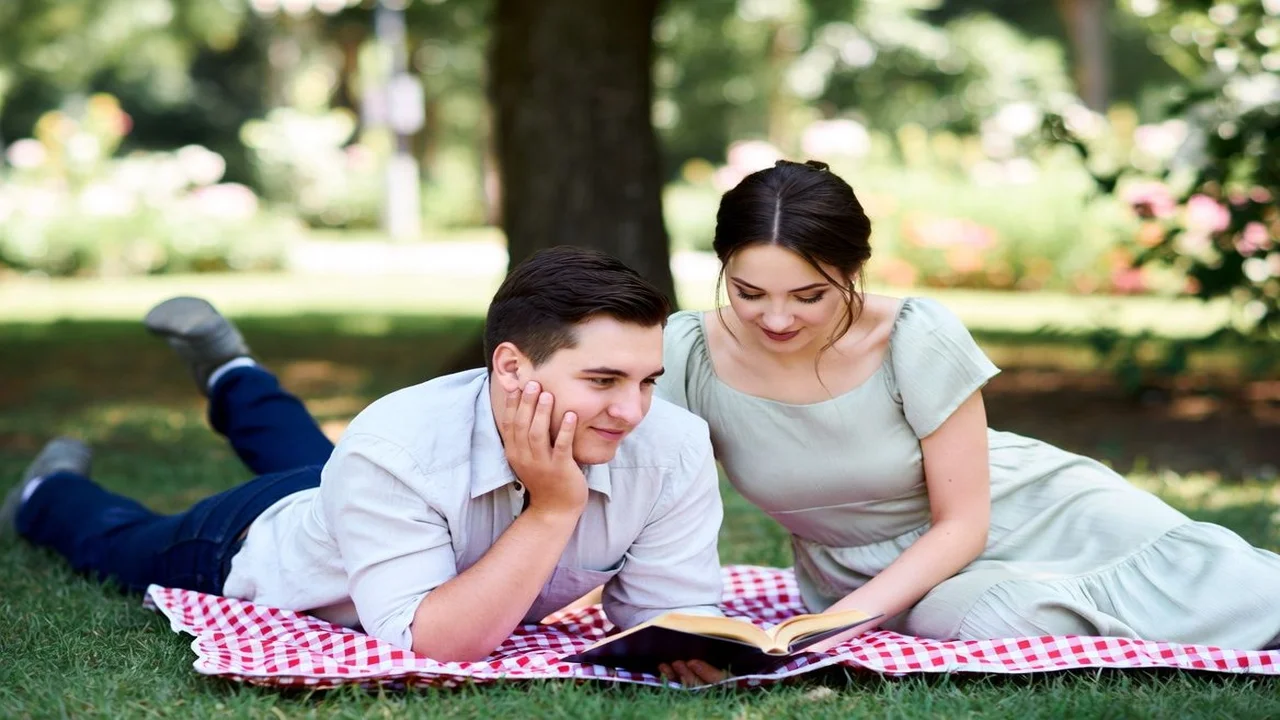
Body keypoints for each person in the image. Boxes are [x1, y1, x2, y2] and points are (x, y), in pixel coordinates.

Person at [2, 246, 728, 673]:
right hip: (253, 543)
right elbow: (437, 643)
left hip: (353, 496)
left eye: (647, 381)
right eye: (602, 380)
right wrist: (555, 506)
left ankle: (231, 369)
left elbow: (668, 616)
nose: (633, 411)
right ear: (511, 368)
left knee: (314, 461)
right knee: (121, 543)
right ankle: (46, 491)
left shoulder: (670, 445)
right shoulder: (396, 447)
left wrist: (687, 643)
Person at [657, 159, 1280, 651]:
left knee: (1246, 598)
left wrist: (842, 622)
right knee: (975, 616)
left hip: (1035, 516)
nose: (776, 319)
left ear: (854, 271)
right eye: (749, 292)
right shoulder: (688, 351)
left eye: (808, 296)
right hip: (878, 578)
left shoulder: (911, 335)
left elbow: (963, 523)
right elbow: (651, 498)